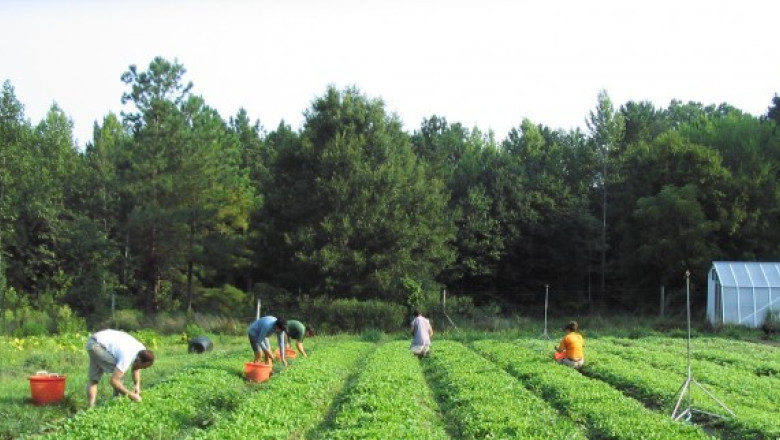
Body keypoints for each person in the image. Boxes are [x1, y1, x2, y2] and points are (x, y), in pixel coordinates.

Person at [85, 329, 155, 407]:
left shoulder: (142, 351)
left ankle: (91, 407)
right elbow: (114, 381)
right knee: (118, 375)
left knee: (94, 379)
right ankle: (116, 400)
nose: (143, 369)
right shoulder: (127, 357)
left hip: (93, 342)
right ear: (140, 361)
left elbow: (136, 367)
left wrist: (137, 385)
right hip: (97, 346)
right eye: (144, 367)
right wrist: (131, 395)